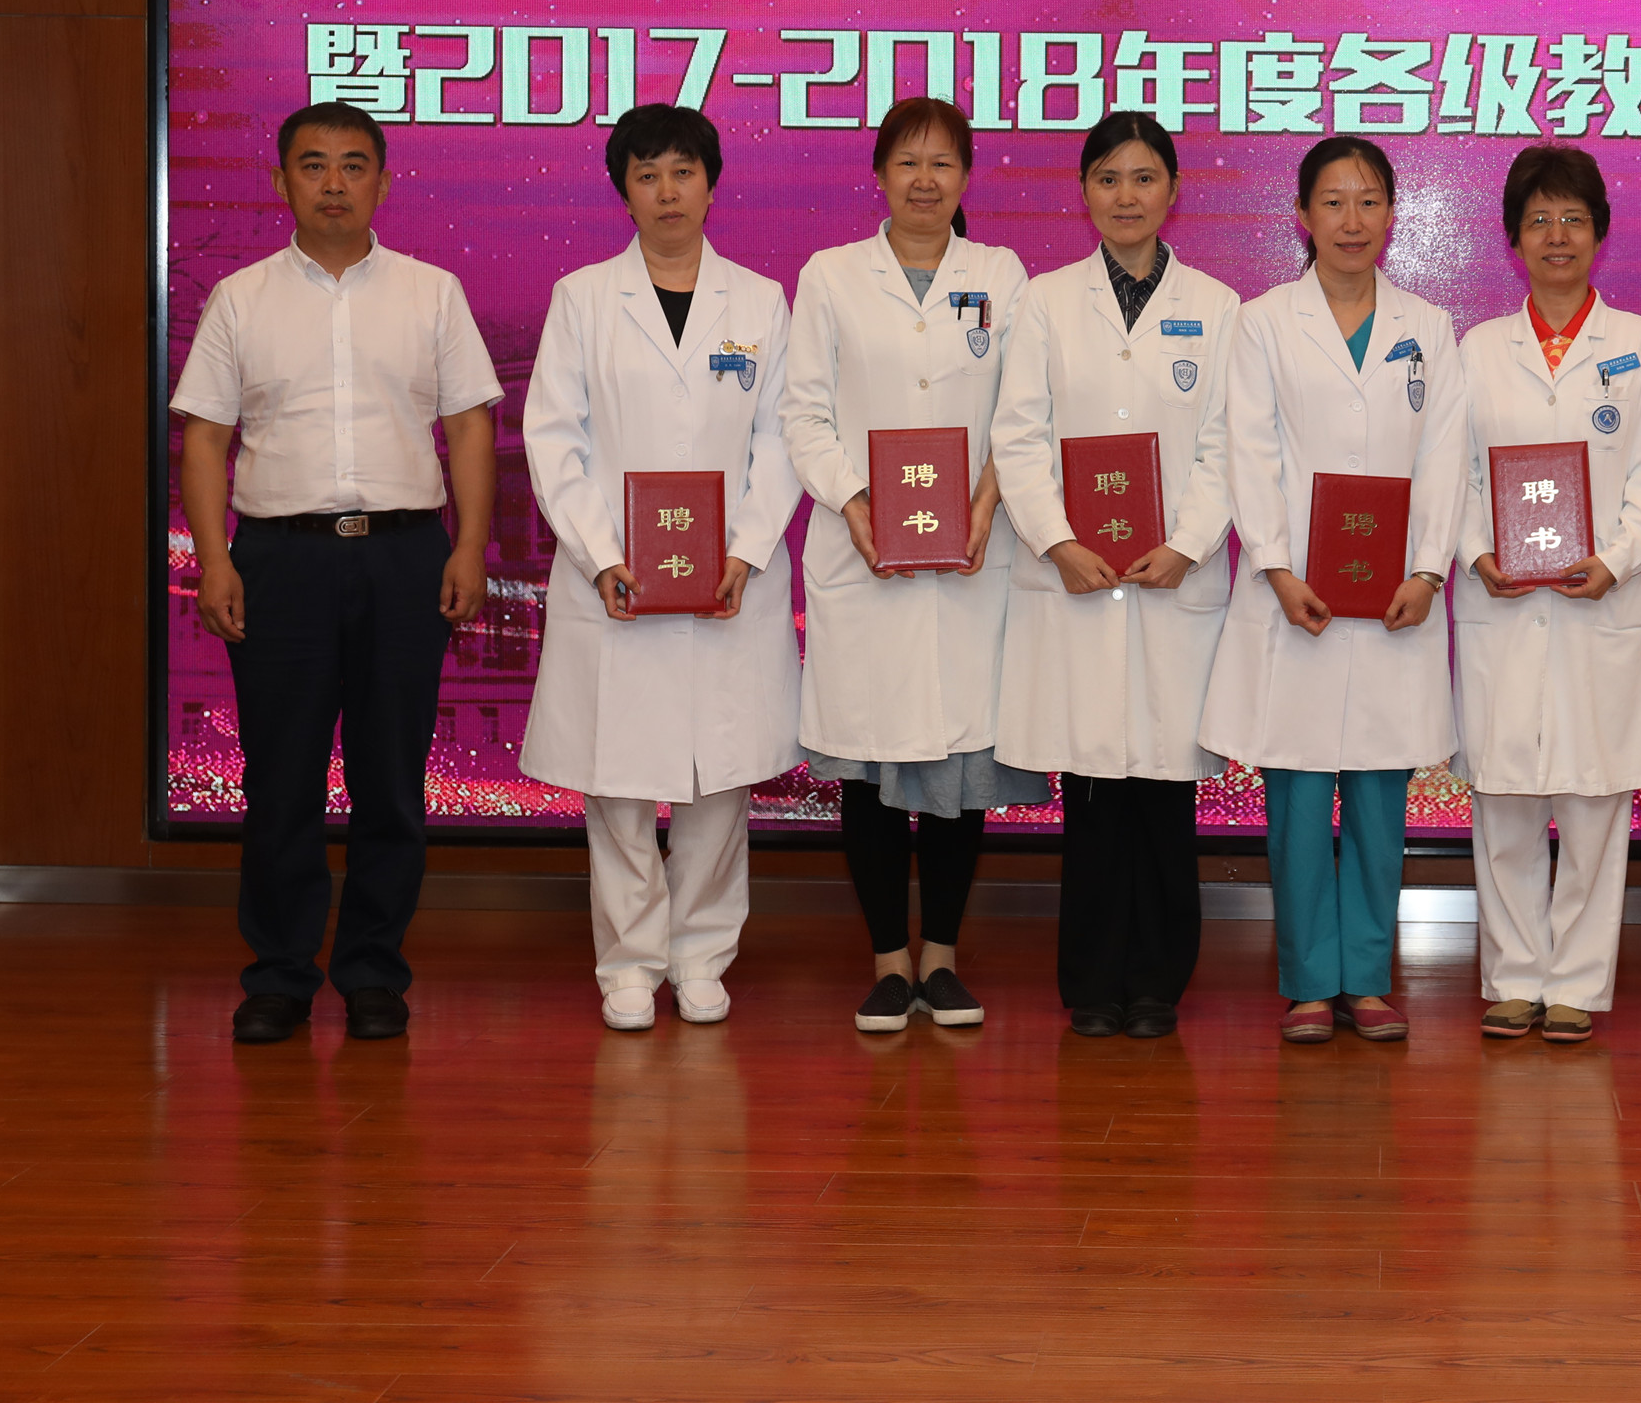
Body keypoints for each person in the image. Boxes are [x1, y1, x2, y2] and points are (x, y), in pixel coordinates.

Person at [171, 101, 500, 1045]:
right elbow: (206, 439)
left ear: (384, 182)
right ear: (281, 180)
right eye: (313, 165)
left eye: (354, 165)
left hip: (404, 554)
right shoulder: (241, 298)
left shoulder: (432, 293)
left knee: (390, 779)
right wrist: (214, 558)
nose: (333, 183)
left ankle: (372, 972)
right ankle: (279, 974)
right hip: (281, 560)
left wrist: (468, 545)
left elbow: (470, 425)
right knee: (281, 780)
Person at [519, 105, 802, 1032]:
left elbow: (782, 440)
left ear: (712, 186)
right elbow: (553, 437)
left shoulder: (760, 302)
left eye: (684, 172)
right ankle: (631, 962)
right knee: (618, 778)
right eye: (647, 175)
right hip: (619, 583)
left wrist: (746, 549)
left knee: (720, 774)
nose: (667, 191)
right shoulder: (582, 299)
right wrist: (601, 554)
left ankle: (702, 953)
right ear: (624, 192)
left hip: (726, 580)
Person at [782, 96, 1041, 1034]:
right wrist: (856, 503)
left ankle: (943, 960)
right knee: (870, 765)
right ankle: (889, 963)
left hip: (972, 555)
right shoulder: (830, 276)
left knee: (961, 771)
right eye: (907, 162)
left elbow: (1023, 412)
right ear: (879, 175)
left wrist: (986, 507)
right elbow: (804, 412)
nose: (925, 180)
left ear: (966, 177)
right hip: (868, 559)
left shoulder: (1001, 275)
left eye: (942, 164)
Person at [1203, 136, 1469, 1045]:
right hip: (1297, 600)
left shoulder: (1429, 327)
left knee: (1380, 804)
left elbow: (1445, 458)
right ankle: (1310, 982)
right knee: (1299, 796)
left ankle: (1368, 978)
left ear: (1393, 213)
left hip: (1395, 601)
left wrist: (1427, 568)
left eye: (1368, 201)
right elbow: (1250, 451)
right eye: (1333, 202)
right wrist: (1277, 566)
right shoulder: (1263, 323)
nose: (1352, 221)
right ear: (1302, 216)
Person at [991, 112, 1240, 1040]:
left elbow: (1228, 445)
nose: (1126, 196)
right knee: (1093, 792)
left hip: (1173, 579)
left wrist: (1190, 542)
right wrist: (1057, 540)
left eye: (1144, 178)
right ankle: (1093, 984)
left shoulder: (1218, 306)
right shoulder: (1046, 302)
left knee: (1165, 792)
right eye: (1108, 178)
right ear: (1084, 192)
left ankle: (1158, 983)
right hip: (1080, 578)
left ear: (1173, 190)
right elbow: (1018, 436)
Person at [1453, 145, 1641, 1046]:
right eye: (1540, 220)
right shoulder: (1479, 350)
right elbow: (1456, 477)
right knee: (1506, 798)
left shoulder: (1640, 345)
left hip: (1603, 606)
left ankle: (1578, 985)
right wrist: (1479, 553)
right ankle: (1515, 978)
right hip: (1506, 605)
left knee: (1594, 803)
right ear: (1514, 238)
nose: (1558, 236)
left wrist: (1617, 560)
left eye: (1574, 220)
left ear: (1600, 234)